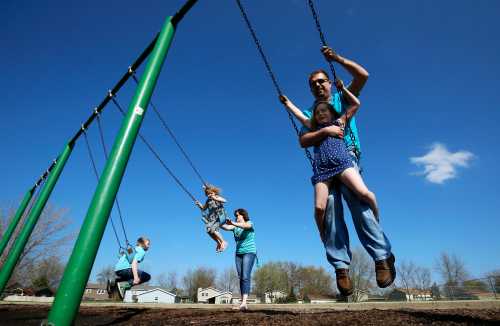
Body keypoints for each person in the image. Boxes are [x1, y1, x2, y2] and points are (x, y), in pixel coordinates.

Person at [289, 46, 395, 296]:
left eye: (321, 81)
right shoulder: (311, 114)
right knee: (330, 210)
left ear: (328, 82)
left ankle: (382, 257)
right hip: (325, 167)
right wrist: (322, 131)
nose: (317, 86)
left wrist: (337, 59)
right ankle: (340, 267)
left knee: (358, 202)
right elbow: (304, 138)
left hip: (347, 158)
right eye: (312, 84)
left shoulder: (340, 99)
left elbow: (363, 76)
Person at [280, 79, 379, 240]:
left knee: (364, 193)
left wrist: (343, 89)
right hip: (322, 170)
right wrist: (288, 103)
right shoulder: (315, 128)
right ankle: (321, 232)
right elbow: (300, 116)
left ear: (332, 112)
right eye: (317, 112)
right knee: (320, 208)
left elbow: (356, 104)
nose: (320, 113)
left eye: (324, 111)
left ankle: (376, 215)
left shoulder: (339, 122)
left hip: (342, 164)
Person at [221, 208, 257, 311]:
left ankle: (244, 303)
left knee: (245, 276)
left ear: (243, 215)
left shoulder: (249, 223)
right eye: (235, 216)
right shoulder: (234, 227)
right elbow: (225, 227)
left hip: (249, 252)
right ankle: (243, 302)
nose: (236, 217)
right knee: (241, 277)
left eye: (238, 215)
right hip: (238, 254)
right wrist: (214, 221)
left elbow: (247, 226)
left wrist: (233, 222)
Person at [195, 184, 229, 253]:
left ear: (214, 192)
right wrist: (199, 205)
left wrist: (215, 198)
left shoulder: (217, 197)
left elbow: (225, 200)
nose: (209, 195)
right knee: (209, 230)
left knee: (212, 228)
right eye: (207, 194)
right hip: (212, 219)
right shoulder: (208, 201)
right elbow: (203, 209)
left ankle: (223, 242)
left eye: (210, 193)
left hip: (220, 217)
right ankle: (218, 242)